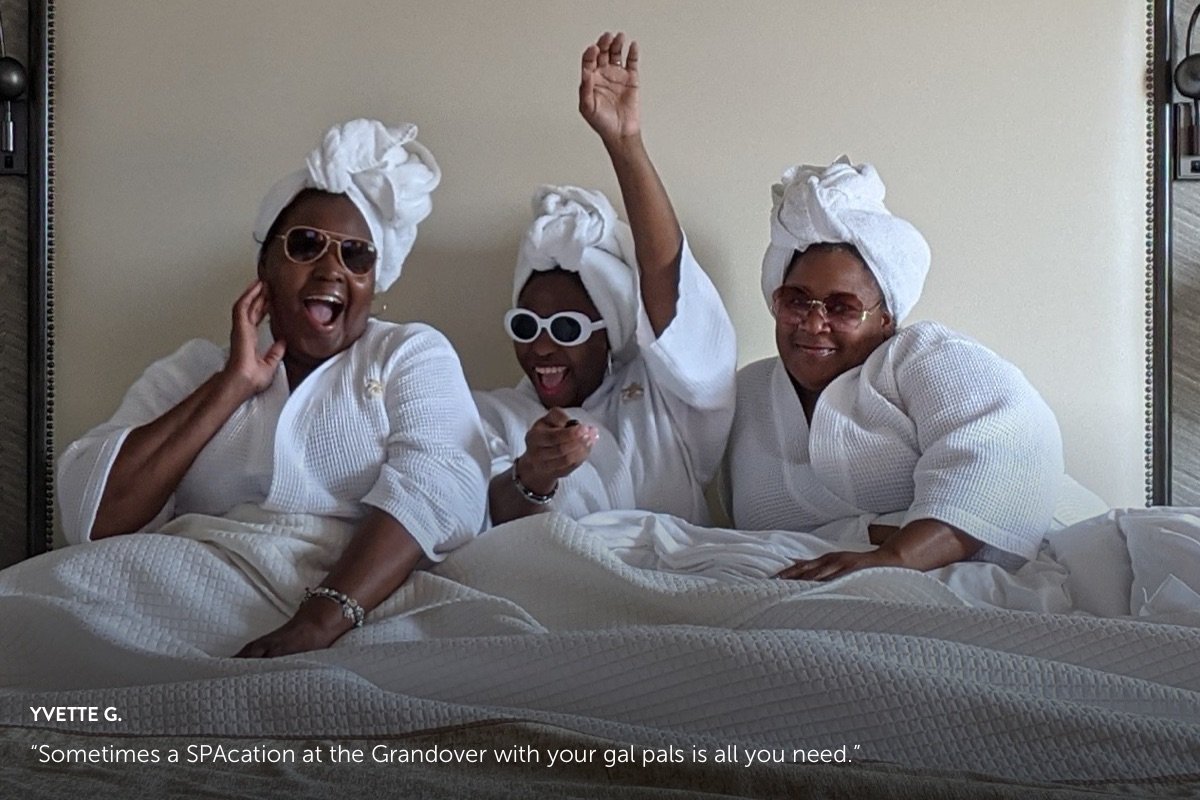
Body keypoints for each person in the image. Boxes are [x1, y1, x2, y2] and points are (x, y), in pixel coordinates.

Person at [56, 119, 489, 656]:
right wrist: (231, 386)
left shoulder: (408, 354)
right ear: (266, 265)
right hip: (197, 585)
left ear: (373, 283)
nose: (332, 269)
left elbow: (437, 486)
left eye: (356, 255)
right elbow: (96, 517)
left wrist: (318, 622)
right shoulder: (195, 370)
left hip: (361, 601)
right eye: (307, 245)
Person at [725, 157, 1064, 580]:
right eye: (796, 300)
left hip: (956, 582)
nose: (813, 324)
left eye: (841, 307)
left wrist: (894, 557)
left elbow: (1010, 447)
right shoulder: (749, 390)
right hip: (791, 590)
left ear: (885, 317)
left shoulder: (922, 356)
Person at [474, 32, 736, 526]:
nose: (543, 347)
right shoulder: (491, 416)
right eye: (526, 326)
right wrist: (532, 475)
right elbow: (467, 526)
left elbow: (668, 284)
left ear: (609, 331)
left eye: (567, 328)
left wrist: (626, 146)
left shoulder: (665, 406)